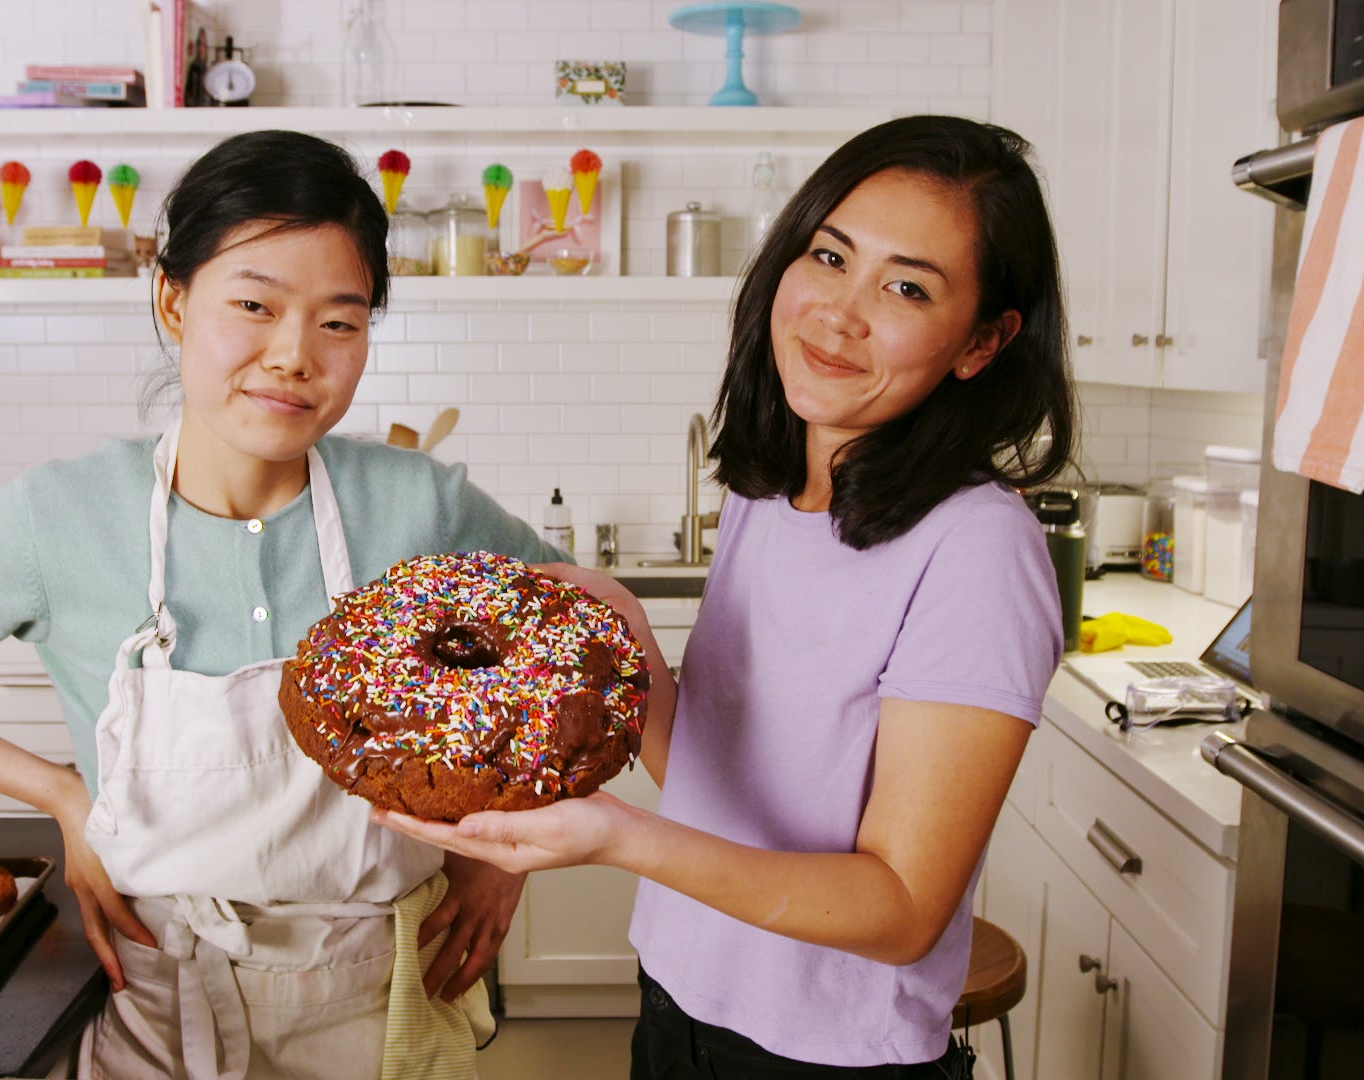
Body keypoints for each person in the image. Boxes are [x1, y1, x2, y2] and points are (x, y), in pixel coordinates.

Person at [0, 130, 563, 1080]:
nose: (294, 355)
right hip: (158, 996)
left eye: (339, 321)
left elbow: (581, 657)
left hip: (389, 993)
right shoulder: (58, 515)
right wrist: (64, 795)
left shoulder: (421, 506)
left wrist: (498, 857)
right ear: (173, 300)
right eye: (253, 304)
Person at [378, 114, 1076, 1078]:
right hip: (679, 994)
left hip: (827, 1056)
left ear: (981, 343)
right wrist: (621, 626)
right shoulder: (773, 485)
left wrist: (618, 838)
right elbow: (719, 785)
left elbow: (904, 909)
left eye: (906, 286)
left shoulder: (977, 545)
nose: (839, 312)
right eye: (829, 256)